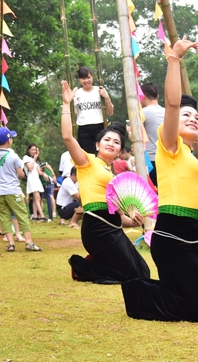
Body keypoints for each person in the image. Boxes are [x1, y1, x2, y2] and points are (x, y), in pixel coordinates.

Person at [121, 38, 198, 322]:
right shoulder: (169, 146)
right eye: (187, 115)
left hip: (194, 237)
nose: (194, 119)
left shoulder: (193, 160)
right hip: (172, 237)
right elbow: (173, 103)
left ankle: (165, 289)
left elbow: (197, 217)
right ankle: (137, 291)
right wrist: (173, 60)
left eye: (197, 118)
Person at [61, 82, 149, 284]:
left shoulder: (114, 176)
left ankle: (95, 261)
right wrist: (66, 105)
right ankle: (83, 267)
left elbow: (119, 218)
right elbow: (67, 136)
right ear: (97, 144)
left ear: (120, 151)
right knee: (132, 276)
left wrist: (135, 220)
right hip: (96, 227)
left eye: (116, 142)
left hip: (113, 227)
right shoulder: (87, 161)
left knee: (142, 271)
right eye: (107, 140)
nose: (111, 144)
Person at [0, 127, 42, 252]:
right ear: (8, 141)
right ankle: (29, 242)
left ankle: (11, 244)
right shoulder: (13, 155)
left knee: (4, 217)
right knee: (21, 215)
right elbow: (21, 174)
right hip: (13, 191)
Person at [72, 66, 114, 154]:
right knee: (88, 156)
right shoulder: (76, 94)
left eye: (88, 77)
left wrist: (107, 97)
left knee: (102, 154)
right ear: (79, 80)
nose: (86, 81)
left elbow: (110, 112)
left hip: (100, 127)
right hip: (84, 129)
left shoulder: (100, 90)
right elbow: (73, 114)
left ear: (92, 77)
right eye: (83, 78)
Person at [141, 82, 165, 182]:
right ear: (158, 96)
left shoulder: (143, 112)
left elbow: (134, 134)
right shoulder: (167, 111)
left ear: (142, 97)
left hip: (151, 159)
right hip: (166, 158)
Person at [23, 144, 46, 221]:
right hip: (31, 179)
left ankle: (35, 216)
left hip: (36, 179)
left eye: (35, 150)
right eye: (32, 149)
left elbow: (39, 172)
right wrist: (34, 159)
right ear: (28, 150)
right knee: (37, 198)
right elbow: (30, 168)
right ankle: (42, 216)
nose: (34, 151)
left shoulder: (34, 160)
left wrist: (45, 173)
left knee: (37, 198)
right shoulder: (26, 158)